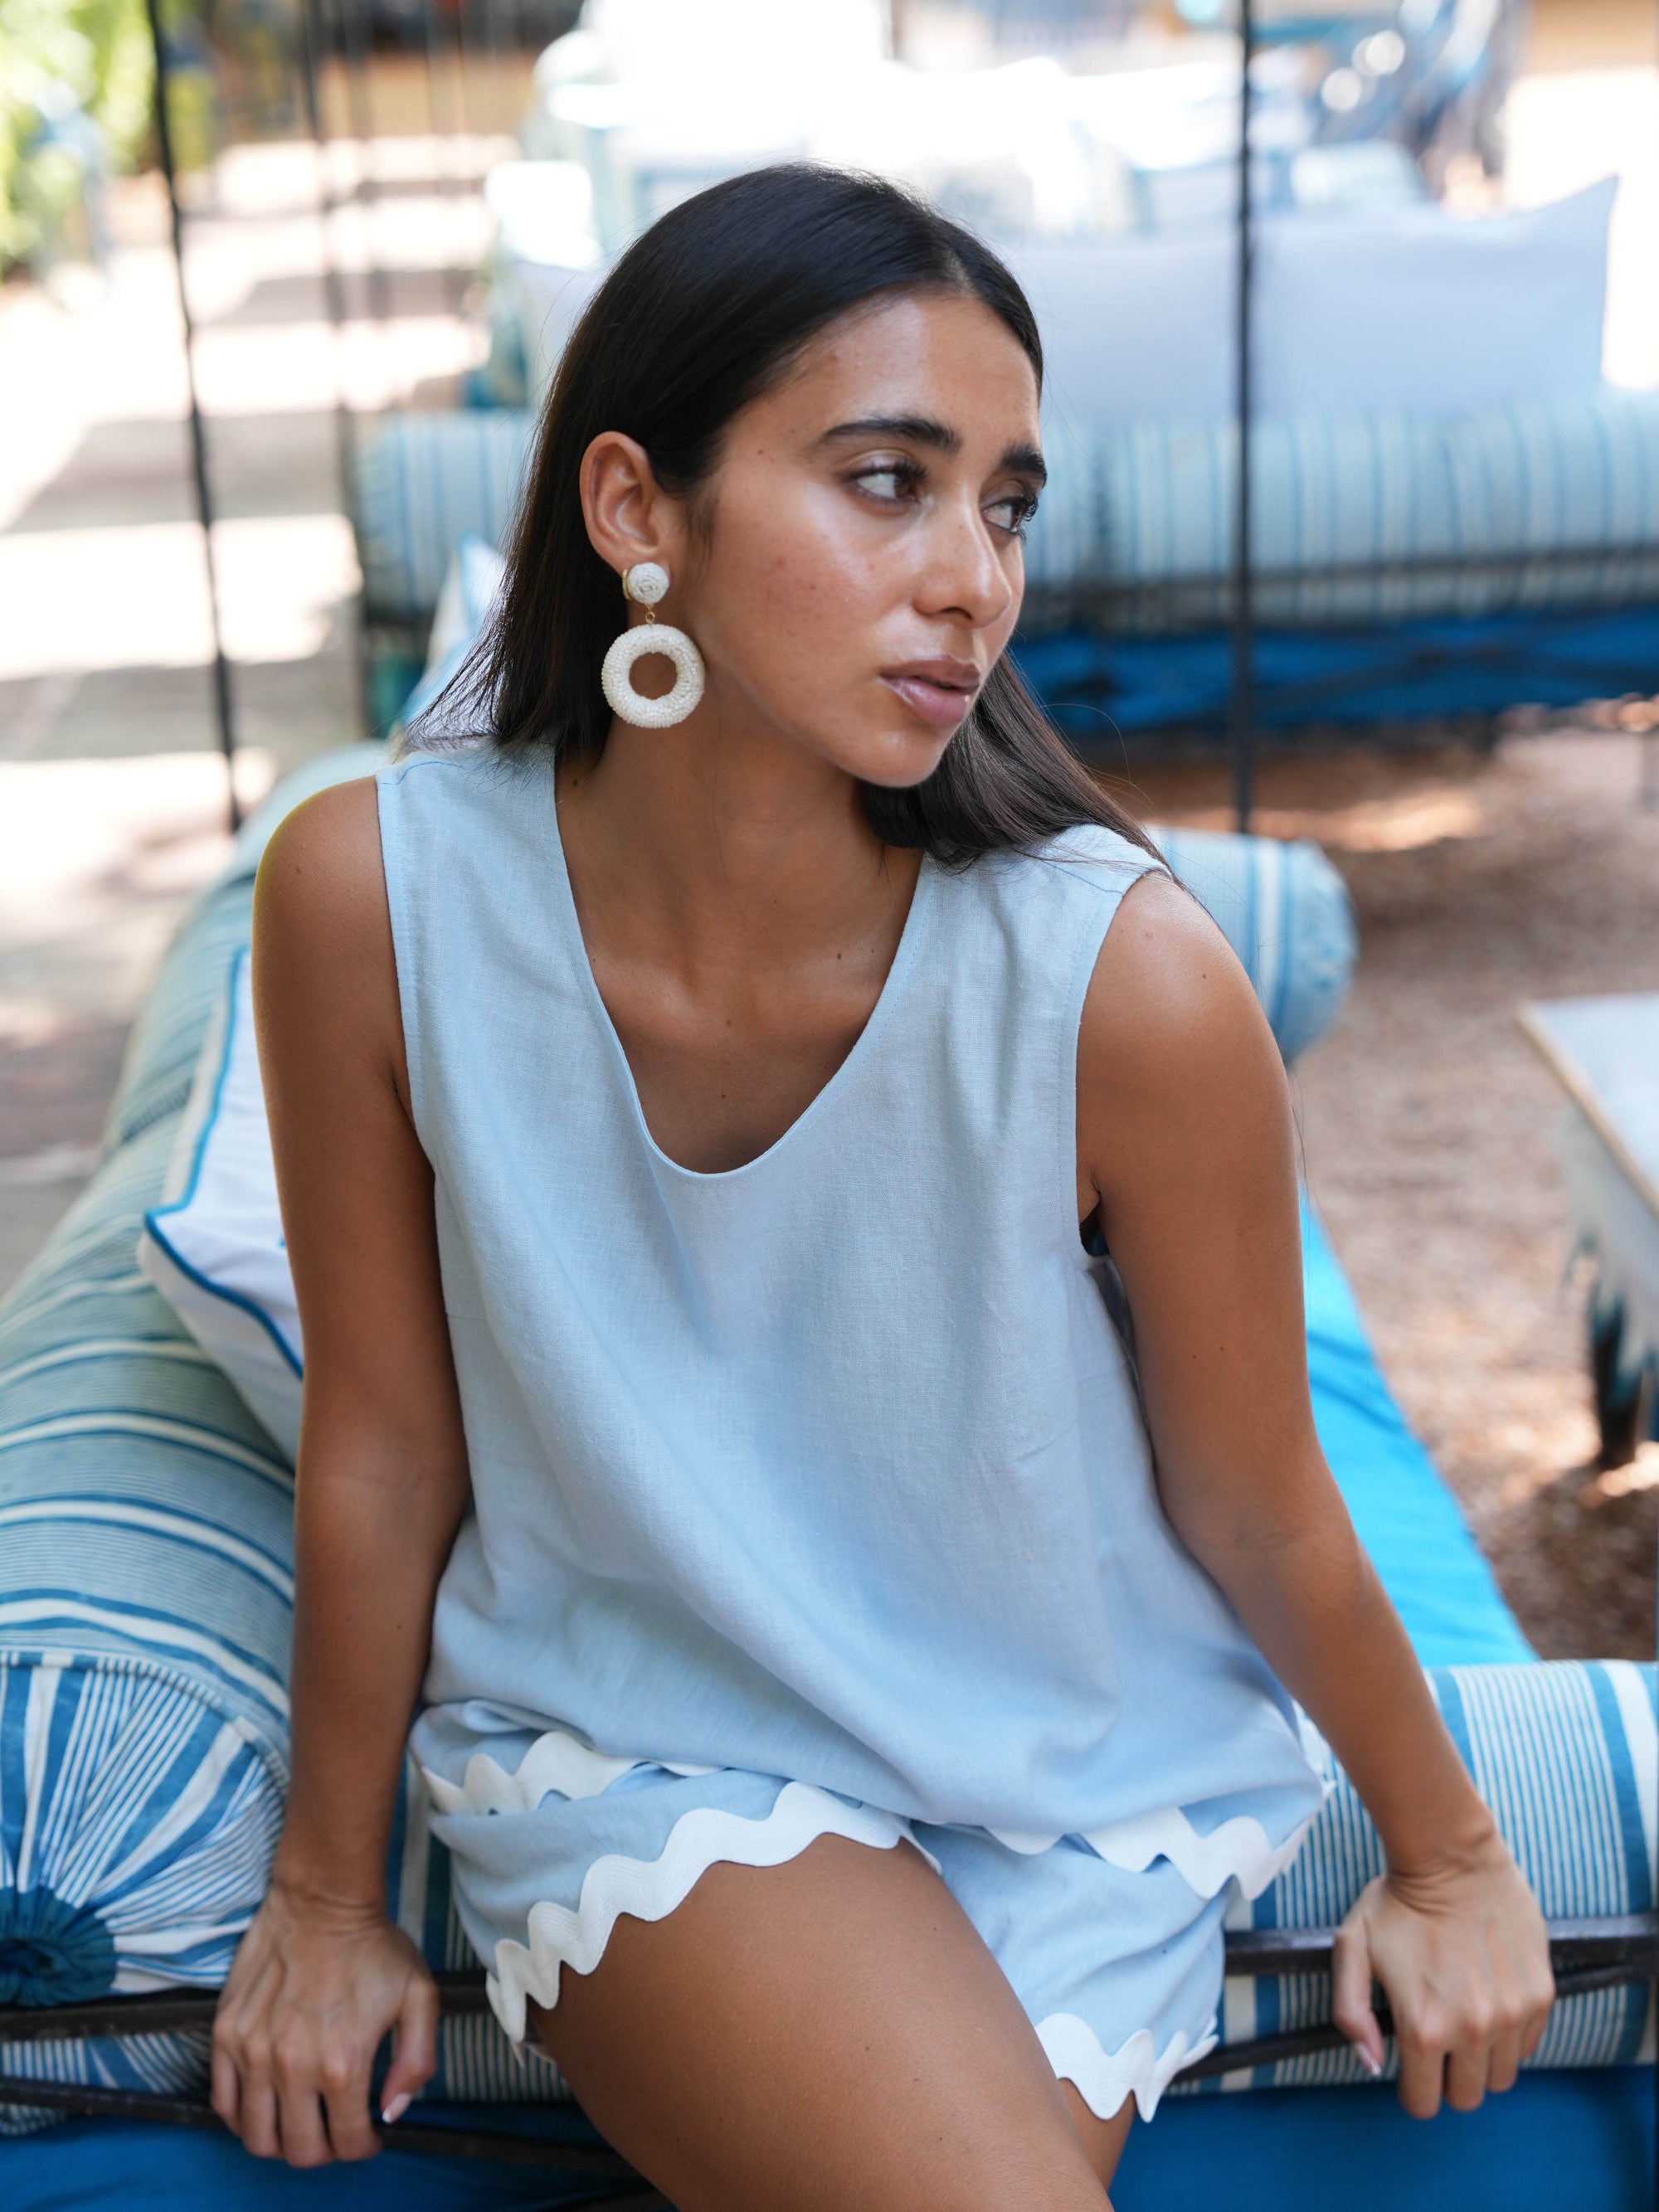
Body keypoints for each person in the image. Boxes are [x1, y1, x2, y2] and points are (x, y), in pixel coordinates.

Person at [210, 163, 1554, 2207]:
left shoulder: (1124, 979)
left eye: (1003, 501)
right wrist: (326, 1891)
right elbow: (387, 1437)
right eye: (883, 482)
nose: (972, 577)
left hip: (1077, 1762)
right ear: (634, 510)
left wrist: (1453, 1853)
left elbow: (1254, 1492)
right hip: (654, 1733)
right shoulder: (369, 895)